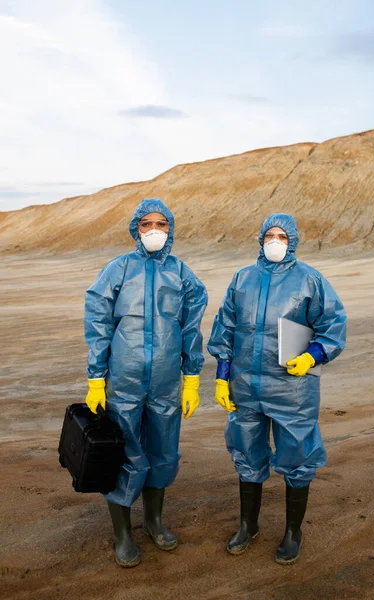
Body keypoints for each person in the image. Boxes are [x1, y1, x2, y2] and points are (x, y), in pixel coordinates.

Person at [207, 213, 346, 565]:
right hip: (246, 386)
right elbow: (225, 326)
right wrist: (223, 375)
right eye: (269, 235)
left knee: (298, 457)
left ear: (293, 241)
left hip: (292, 388)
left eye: (282, 236)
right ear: (260, 239)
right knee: (246, 453)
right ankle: (247, 525)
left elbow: (333, 324)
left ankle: (292, 532)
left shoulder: (310, 280)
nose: (275, 241)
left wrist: (312, 356)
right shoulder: (243, 279)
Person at [84, 198, 208, 567]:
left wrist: (191, 378)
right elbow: (99, 324)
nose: (154, 231)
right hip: (123, 379)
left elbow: (191, 327)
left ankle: (154, 521)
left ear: (171, 229)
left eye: (161, 224)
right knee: (121, 452)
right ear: (135, 229)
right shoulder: (118, 269)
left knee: (162, 452)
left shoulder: (182, 274)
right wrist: (96, 378)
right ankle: (123, 534)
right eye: (146, 224)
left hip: (167, 381)